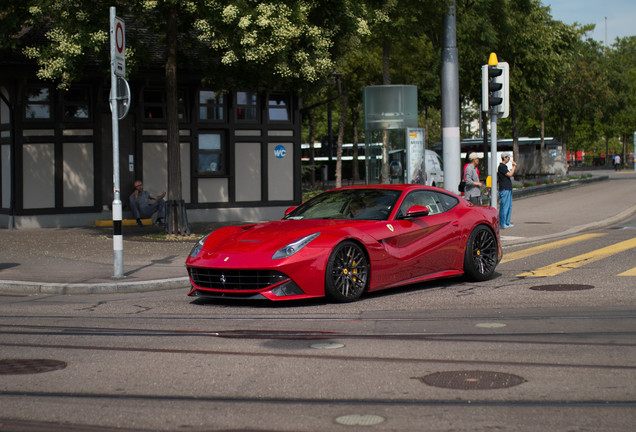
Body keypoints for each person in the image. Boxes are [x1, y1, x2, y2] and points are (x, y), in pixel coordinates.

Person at [497, 152, 517, 228]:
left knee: (509, 206)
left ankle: (507, 222)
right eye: (508, 157)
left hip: (508, 188)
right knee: (504, 206)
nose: (509, 159)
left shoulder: (504, 166)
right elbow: (510, 174)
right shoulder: (501, 167)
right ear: (504, 158)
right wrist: (514, 167)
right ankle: (502, 222)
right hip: (504, 189)